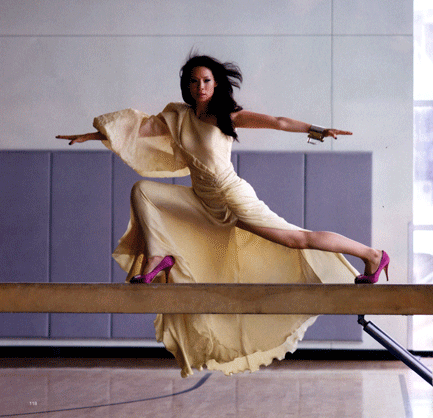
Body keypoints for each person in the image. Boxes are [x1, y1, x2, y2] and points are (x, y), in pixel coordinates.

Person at [56, 54, 389, 377]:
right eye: (194, 81)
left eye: (206, 81)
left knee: (296, 239)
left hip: (232, 198)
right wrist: (93, 136)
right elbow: (136, 130)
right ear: (187, 86)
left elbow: (277, 122)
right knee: (143, 190)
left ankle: (372, 255)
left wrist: (318, 130)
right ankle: (159, 256)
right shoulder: (177, 117)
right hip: (203, 201)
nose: (200, 87)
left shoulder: (226, 115)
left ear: (215, 84)